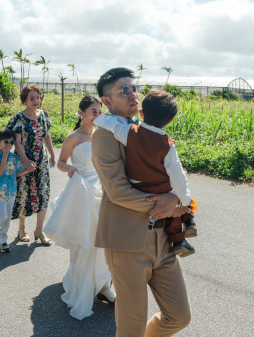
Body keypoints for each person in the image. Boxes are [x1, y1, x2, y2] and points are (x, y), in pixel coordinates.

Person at [92, 68, 191, 337]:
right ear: (107, 101)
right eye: (124, 90)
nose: (133, 94)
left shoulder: (148, 131)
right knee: (131, 324)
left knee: (179, 316)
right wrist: (169, 204)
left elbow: (174, 172)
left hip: (163, 237)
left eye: (134, 88)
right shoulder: (104, 135)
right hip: (126, 242)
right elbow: (117, 191)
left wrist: (173, 197)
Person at [94, 88, 198, 257]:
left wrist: (99, 118)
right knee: (181, 198)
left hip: (137, 186)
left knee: (174, 201)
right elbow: (177, 176)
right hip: (160, 189)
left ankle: (182, 234)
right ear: (170, 120)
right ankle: (185, 228)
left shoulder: (130, 133)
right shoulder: (167, 145)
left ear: (141, 113)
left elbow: (111, 125)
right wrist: (183, 200)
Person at [43, 95, 116, 320]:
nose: (97, 115)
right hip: (83, 191)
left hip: (105, 190)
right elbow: (61, 162)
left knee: (107, 241)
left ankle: (103, 284)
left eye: (99, 111)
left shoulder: (106, 135)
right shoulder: (73, 137)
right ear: (81, 113)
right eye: (93, 111)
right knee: (86, 240)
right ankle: (84, 284)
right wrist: (70, 170)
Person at [6, 84, 57, 245]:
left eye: (38, 97)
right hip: (23, 161)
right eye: (31, 98)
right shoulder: (18, 118)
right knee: (23, 194)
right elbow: (17, 143)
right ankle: (22, 228)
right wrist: (27, 162)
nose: (36, 100)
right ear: (25, 100)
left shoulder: (43, 116)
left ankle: (39, 231)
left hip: (41, 161)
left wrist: (53, 154)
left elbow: (46, 136)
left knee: (43, 193)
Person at [0, 129, 32, 253]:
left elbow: (16, 173)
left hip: (11, 191)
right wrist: (5, 156)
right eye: (6, 142)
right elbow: (0, 171)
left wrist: (28, 170)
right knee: (1, 215)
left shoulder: (14, 158)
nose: (9, 145)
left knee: (7, 218)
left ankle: (2, 241)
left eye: (11, 142)